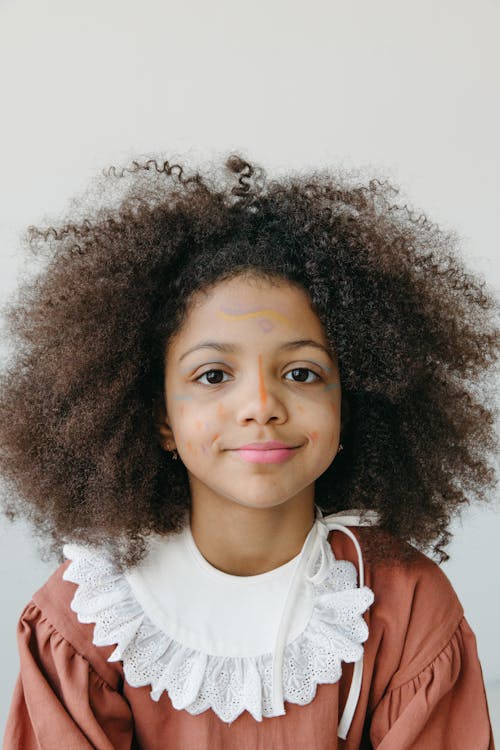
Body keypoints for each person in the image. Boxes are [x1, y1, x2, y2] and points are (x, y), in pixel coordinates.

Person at [0, 154, 497, 749]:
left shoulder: (406, 604)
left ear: (351, 407)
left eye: (303, 373)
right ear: (161, 417)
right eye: (213, 375)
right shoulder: (85, 616)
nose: (261, 404)